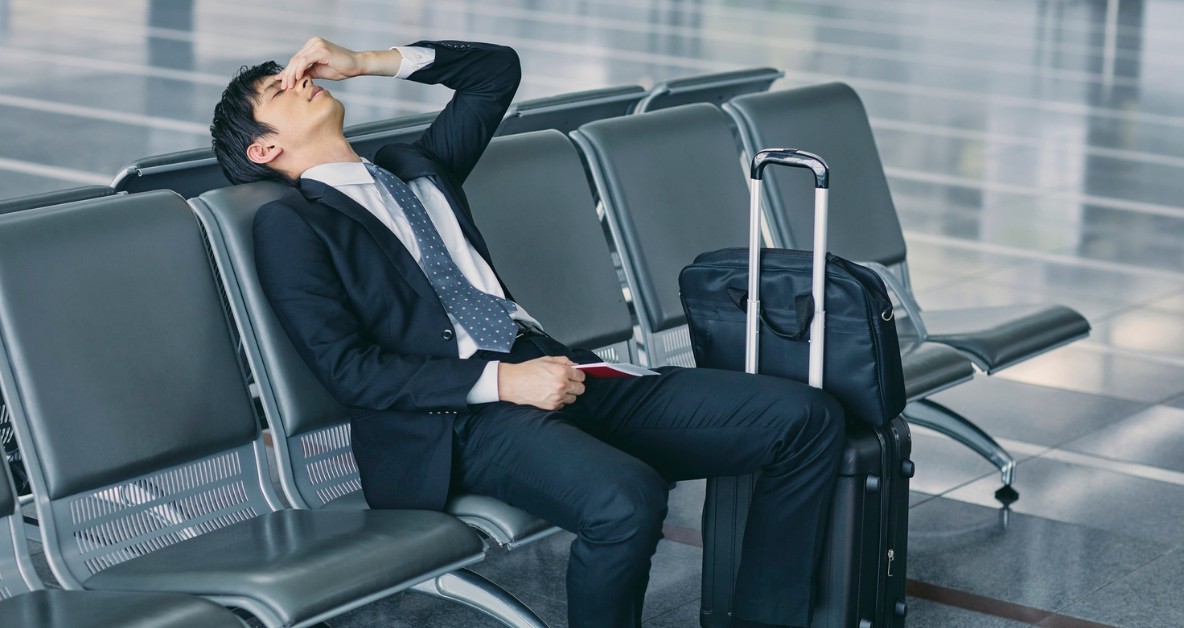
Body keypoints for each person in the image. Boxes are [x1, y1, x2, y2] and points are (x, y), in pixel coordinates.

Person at [211, 36, 845, 628]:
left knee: (805, 418)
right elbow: (350, 371)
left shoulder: (415, 166)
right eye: (279, 91)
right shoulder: (292, 225)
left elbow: (494, 74)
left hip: (558, 369)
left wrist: (368, 60)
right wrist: (503, 381)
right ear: (263, 150)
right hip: (458, 419)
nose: (300, 82)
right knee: (625, 501)